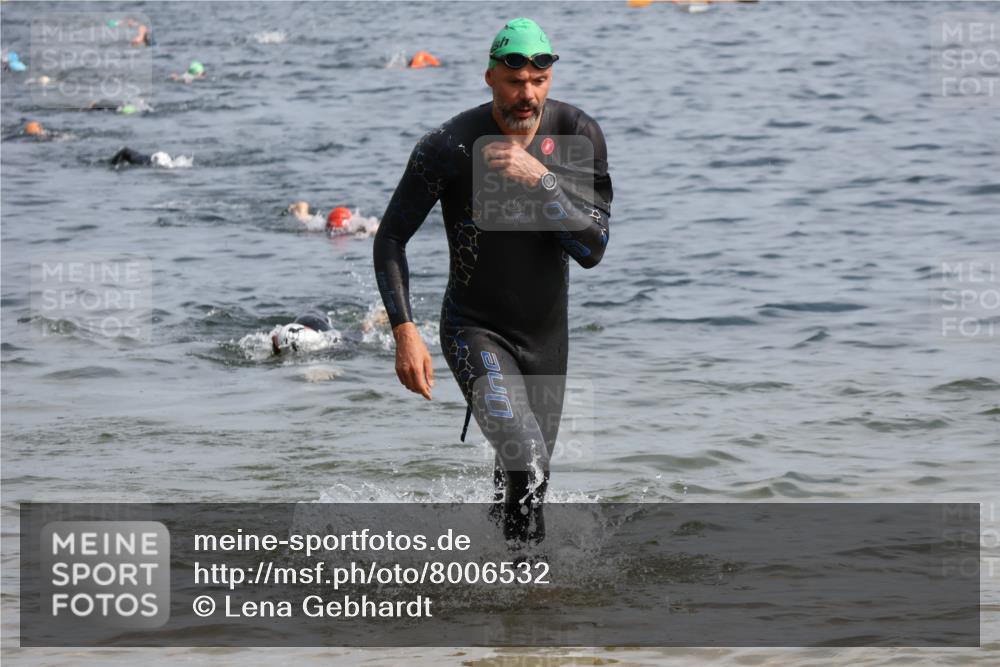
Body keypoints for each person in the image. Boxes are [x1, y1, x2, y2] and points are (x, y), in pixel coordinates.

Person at [373, 18, 612, 546]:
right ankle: (523, 599)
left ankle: (511, 606)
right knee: (527, 464)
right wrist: (404, 330)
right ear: (489, 78)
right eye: (513, 82)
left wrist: (541, 179)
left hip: (547, 340)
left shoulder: (575, 135)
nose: (526, 96)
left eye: (537, 83)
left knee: (528, 480)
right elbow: (390, 238)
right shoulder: (451, 146)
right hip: (474, 330)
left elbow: (592, 249)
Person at [109, 146, 191, 168]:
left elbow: (123, 150)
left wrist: (112, 164)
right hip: (151, 158)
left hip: (150, 160)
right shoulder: (132, 156)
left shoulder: (131, 157)